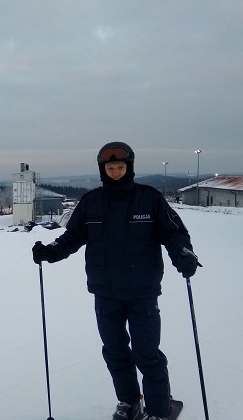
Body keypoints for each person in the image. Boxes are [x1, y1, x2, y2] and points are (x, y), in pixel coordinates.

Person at [32, 142, 200, 420]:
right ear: (103, 170)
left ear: (129, 167)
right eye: (110, 168)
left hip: (142, 291)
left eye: (121, 167)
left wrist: (183, 253)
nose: (116, 172)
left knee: (147, 354)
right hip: (105, 291)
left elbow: (173, 233)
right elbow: (72, 237)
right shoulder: (91, 202)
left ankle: (159, 410)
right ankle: (129, 402)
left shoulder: (149, 199)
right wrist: (50, 252)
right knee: (115, 351)